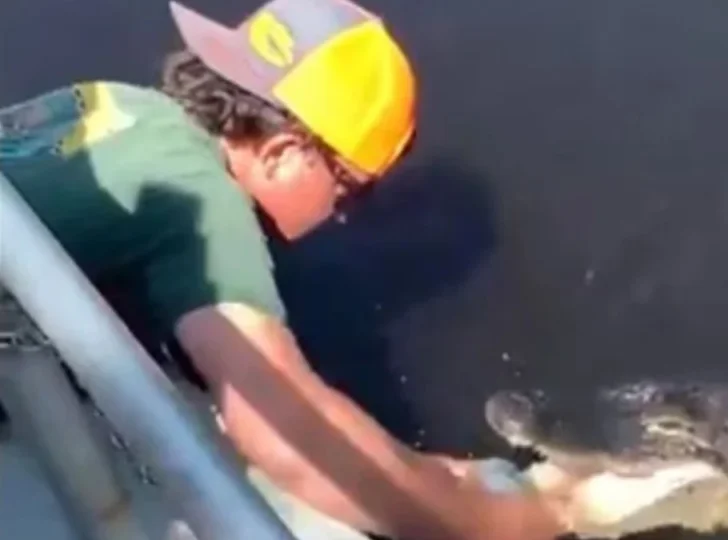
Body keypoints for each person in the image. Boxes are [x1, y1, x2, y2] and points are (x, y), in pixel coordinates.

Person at [0, 0, 576, 538]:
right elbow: (286, 436)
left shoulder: (122, 105)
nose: (342, 217)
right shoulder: (204, 202)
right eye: (351, 191)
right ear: (283, 154)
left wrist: (431, 472)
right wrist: (492, 521)